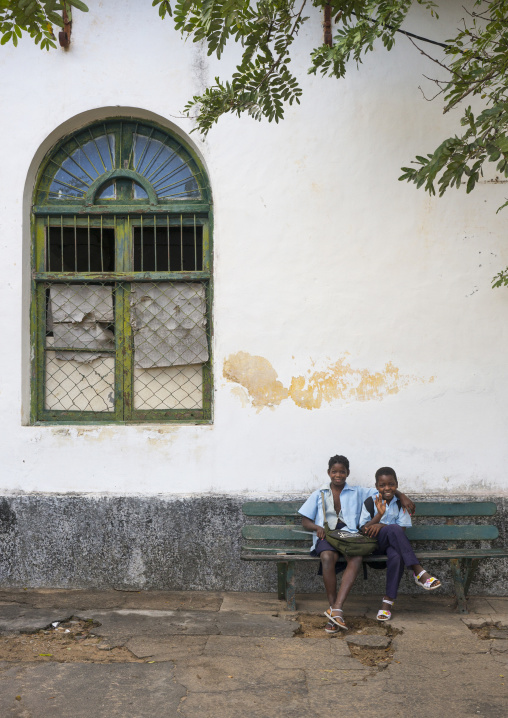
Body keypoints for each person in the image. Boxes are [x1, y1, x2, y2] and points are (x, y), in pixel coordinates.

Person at [298, 455, 415, 634]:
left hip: (349, 536)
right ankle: (333, 609)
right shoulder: (319, 493)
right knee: (327, 556)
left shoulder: (357, 492)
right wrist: (317, 527)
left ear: (348, 473)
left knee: (356, 556)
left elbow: (384, 489)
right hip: (327, 536)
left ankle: (336, 609)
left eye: (342, 472)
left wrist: (403, 496)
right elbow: (305, 521)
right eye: (334, 472)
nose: (338, 475)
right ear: (328, 473)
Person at [359, 466, 441, 622]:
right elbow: (364, 529)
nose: (387, 488)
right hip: (373, 545)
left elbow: (401, 530)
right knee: (393, 528)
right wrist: (379, 516)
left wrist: (383, 526)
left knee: (396, 556)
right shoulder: (370, 502)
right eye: (382, 485)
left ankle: (387, 602)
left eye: (391, 484)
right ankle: (418, 571)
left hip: (393, 546)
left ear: (396, 484)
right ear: (376, 486)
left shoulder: (400, 503)